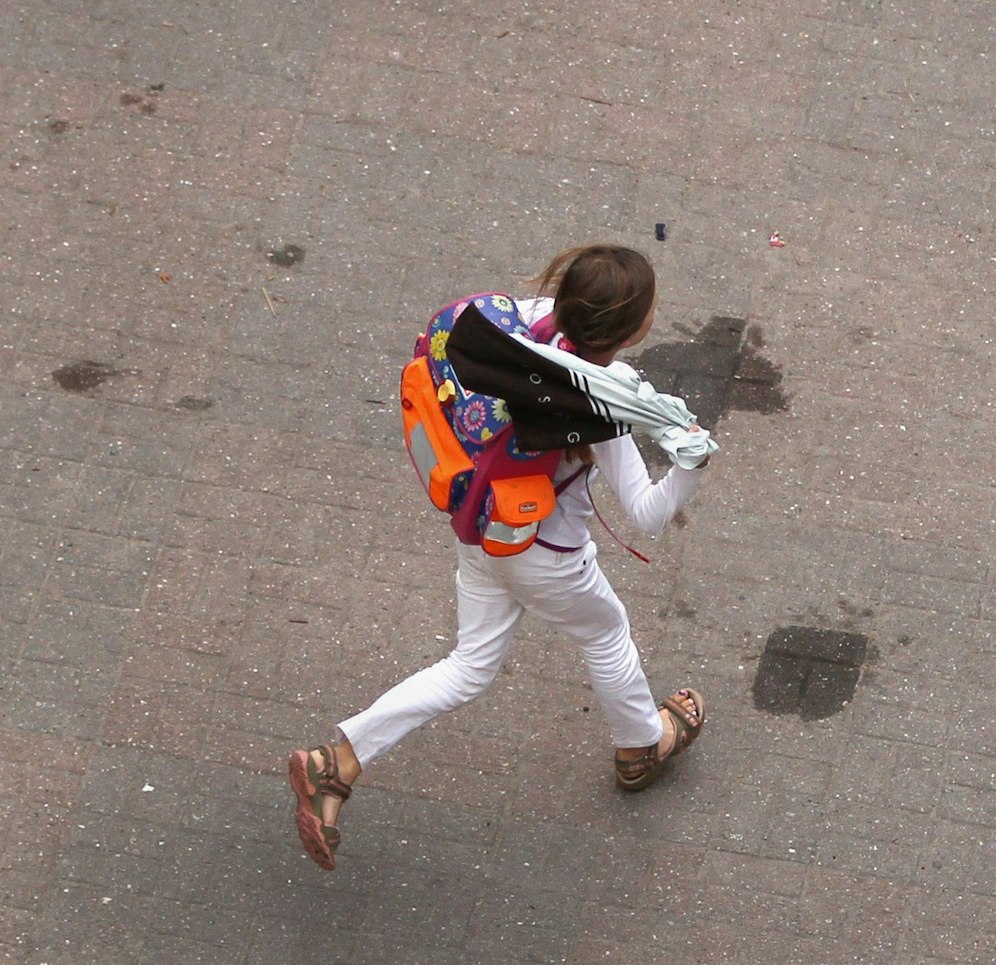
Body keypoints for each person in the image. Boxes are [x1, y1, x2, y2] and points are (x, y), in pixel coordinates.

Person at [288, 245, 710, 870]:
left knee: (470, 665)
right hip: (547, 557)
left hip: (482, 529)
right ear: (631, 330)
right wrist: (692, 462)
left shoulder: (518, 325)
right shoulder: (600, 406)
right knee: (605, 632)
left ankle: (337, 762)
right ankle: (641, 747)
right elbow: (647, 514)